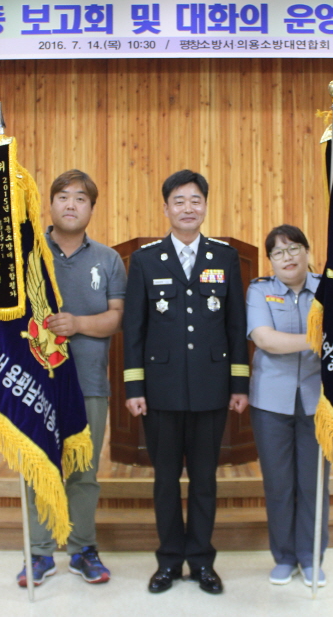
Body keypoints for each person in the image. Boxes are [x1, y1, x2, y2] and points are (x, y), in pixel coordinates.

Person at [122, 169, 250, 595]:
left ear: (206, 206)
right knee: (164, 482)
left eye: (196, 200)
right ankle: (168, 561)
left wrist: (239, 384)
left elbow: (236, 326)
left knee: (204, 481)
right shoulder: (145, 259)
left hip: (212, 389)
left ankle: (201, 561)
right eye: (179, 201)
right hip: (160, 391)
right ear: (166, 209)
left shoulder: (224, 257)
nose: (188, 208)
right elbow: (134, 329)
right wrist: (135, 388)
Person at [17, 169, 126, 588]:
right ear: (50, 204)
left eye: (80, 198)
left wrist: (78, 324)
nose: (70, 204)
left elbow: (116, 317)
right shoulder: (28, 255)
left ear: (91, 209)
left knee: (83, 472)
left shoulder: (108, 259)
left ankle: (82, 549)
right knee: (40, 469)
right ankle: (40, 553)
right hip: (37, 382)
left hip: (88, 384)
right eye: (63, 196)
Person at [246, 225, 328, 588]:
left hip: (318, 400)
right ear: (270, 260)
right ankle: (284, 556)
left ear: (307, 252)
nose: (287, 257)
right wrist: (317, 339)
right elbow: (266, 340)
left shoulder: (328, 290)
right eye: (278, 252)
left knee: (313, 483)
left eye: (294, 248)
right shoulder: (259, 290)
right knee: (279, 483)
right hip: (271, 401)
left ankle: (310, 557)